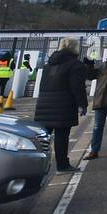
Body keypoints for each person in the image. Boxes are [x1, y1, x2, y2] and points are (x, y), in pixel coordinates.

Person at [33, 38, 89, 172]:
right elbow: (77, 87)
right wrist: (83, 104)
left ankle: (36, 164)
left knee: (42, 137)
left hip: (44, 102)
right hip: (64, 104)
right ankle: (62, 164)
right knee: (61, 136)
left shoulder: (49, 64)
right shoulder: (75, 65)